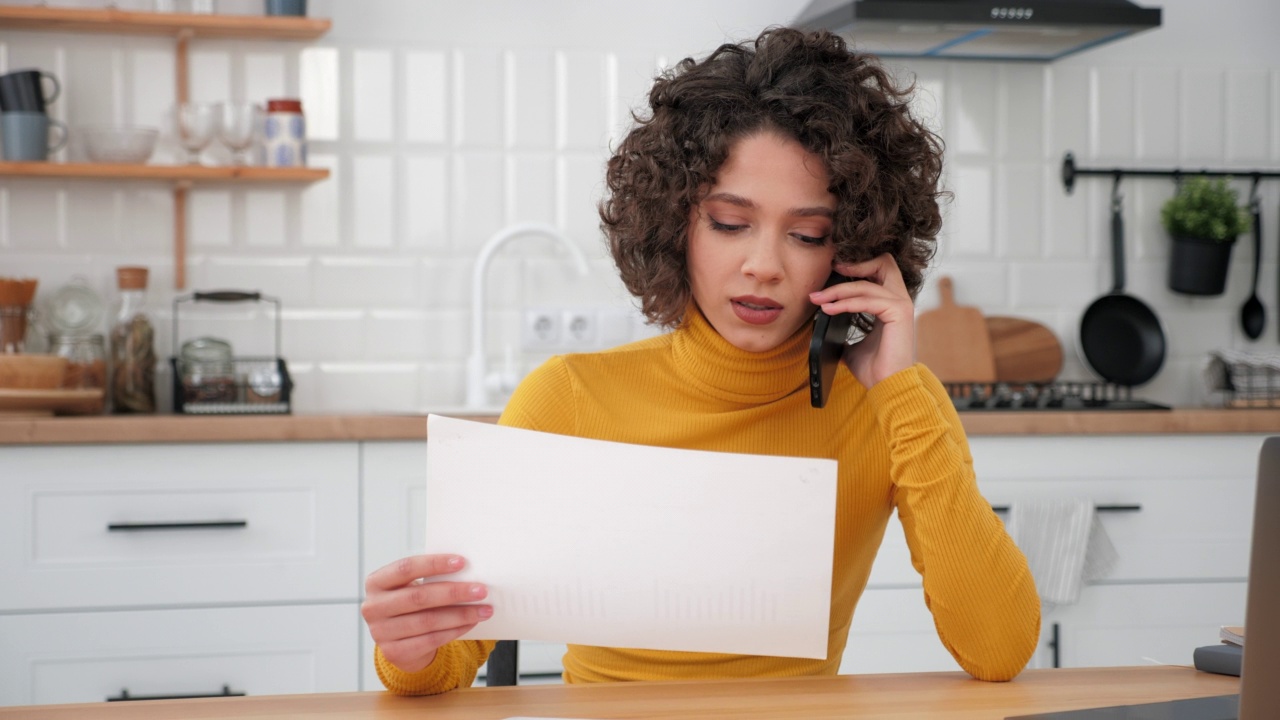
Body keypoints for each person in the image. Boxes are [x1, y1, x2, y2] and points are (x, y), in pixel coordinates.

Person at [362, 26, 1040, 695]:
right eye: (729, 222)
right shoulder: (567, 398)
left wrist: (897, 388)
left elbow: (998, 649)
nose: (764, 266)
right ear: (674, 222)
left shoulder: (891, 407)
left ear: (855, 247)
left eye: (807, 234)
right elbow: (450, 662)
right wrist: (410, 648)